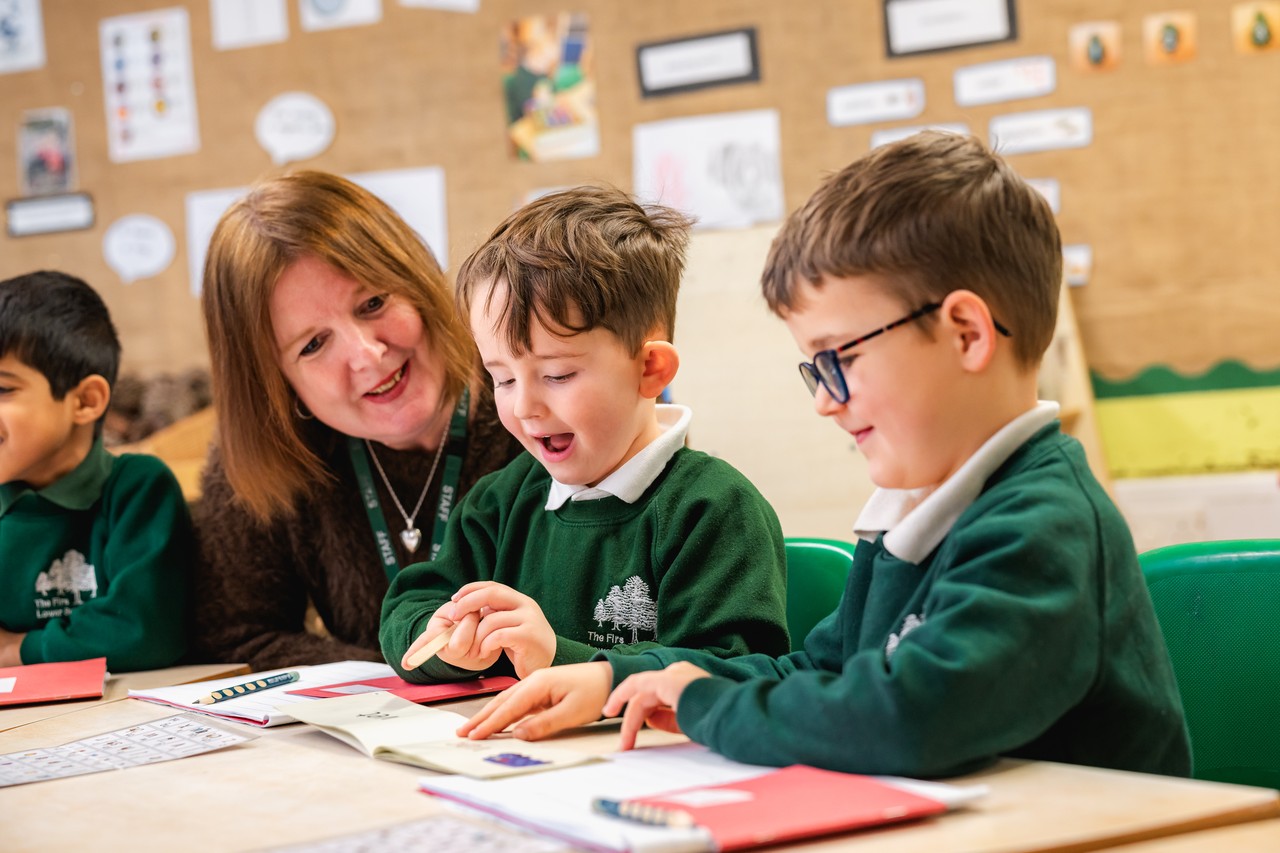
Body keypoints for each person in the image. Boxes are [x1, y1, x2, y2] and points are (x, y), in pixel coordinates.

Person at [456, 132, 1193, 779]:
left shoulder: (1043, 525)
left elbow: (907, 717)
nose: (825, 402)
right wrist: (616, 679)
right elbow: (817, 671)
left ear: (967, 334)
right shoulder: (913, 513)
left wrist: (703, 703)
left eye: (839, 360)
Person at [380, 186, 790, 682]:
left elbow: (735, 672)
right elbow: (408, 605)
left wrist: (560, 657)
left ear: (650, 369)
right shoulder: (500, 503)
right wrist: (444, 641)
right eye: (502, 379)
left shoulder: (712, 509)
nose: (524, 406)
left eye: (557, 375)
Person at [190, 171, 523, 671]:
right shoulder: (269, 453)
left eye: (373, 303)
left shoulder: (533, 384)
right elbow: (234, 634)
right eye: (313, 344)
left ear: (416, 282)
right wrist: (396, 683)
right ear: (275, 382)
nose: (367, 355)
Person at [0, 270, 190, 671]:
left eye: (4, 389)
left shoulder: (137, 489)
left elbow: (143, 631)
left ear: (86, 401)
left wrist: (17, 650)